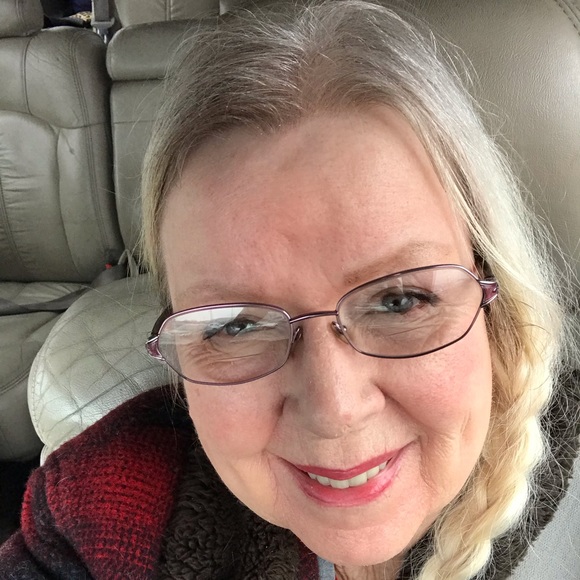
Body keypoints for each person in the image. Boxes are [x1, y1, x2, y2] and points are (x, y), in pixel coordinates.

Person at [1, 1, 579, 578]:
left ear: (494, 295)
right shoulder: (98, 508)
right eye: (236, 326)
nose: (335, 411)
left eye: (399, 301)